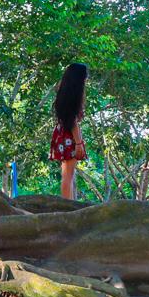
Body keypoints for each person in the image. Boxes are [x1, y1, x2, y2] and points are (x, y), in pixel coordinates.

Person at [50, 62, 88, 200]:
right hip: (69, 136)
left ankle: (68, 203)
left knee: (66, 175)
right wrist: (78, 143)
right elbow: (73, 121)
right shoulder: (73, 96)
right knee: (68, 176)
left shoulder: (62, 93)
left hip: (61, 134)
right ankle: (68, 205)